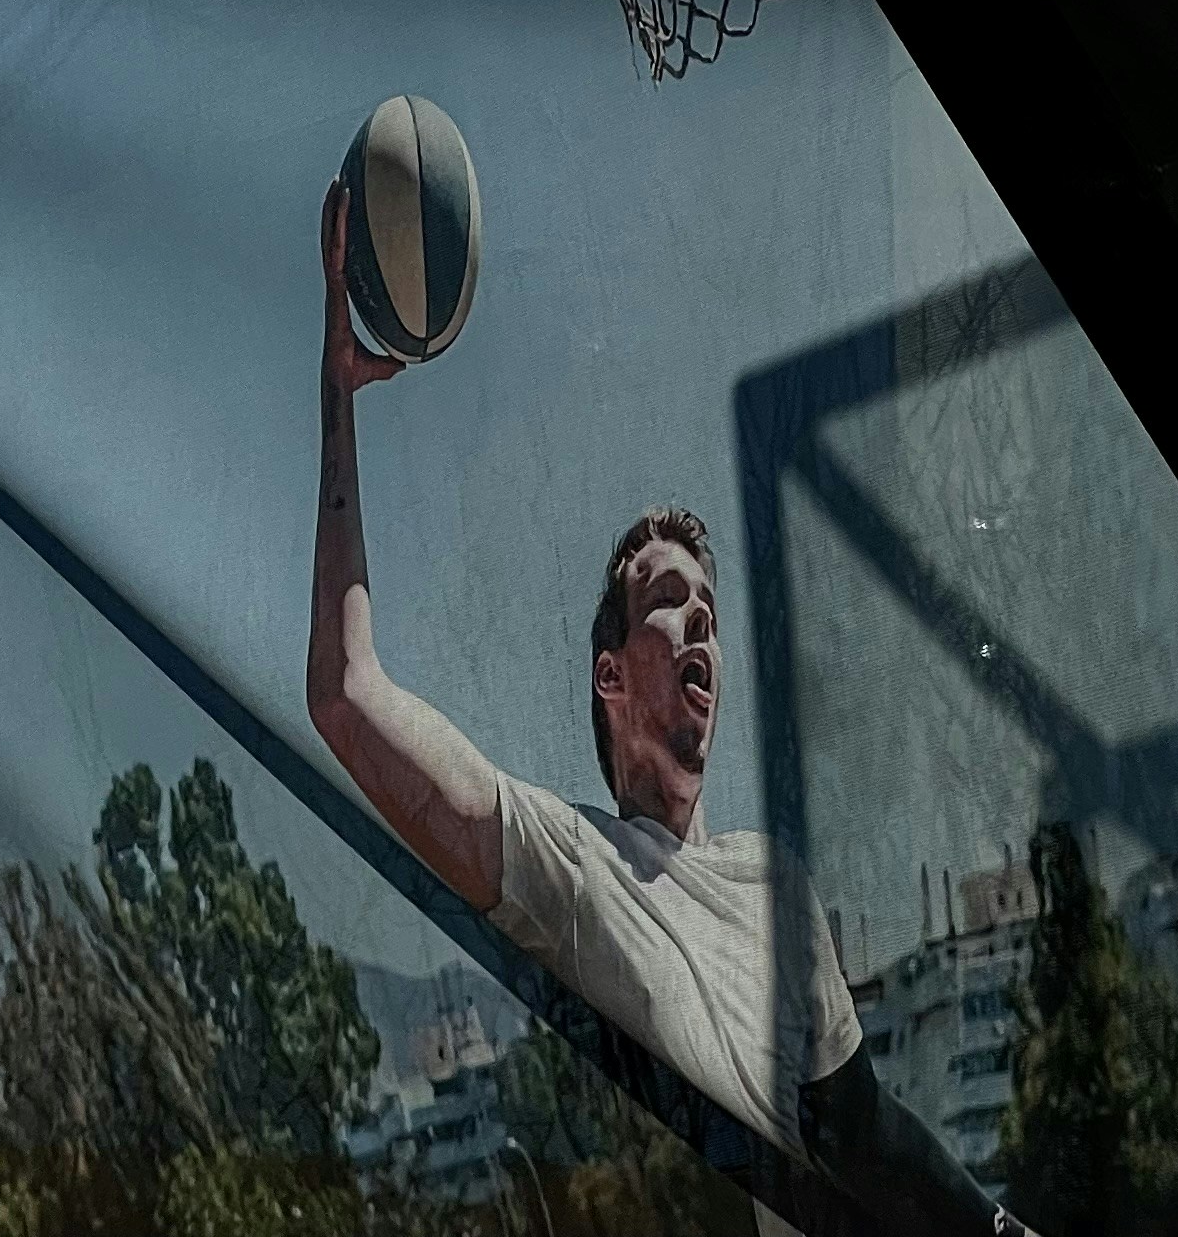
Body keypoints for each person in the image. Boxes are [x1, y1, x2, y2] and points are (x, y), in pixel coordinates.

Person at [305, 185, 1055, 1237]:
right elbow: (345, 695)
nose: (700, 625)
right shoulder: (572, 869)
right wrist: (339, 398)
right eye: (668, 603)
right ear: (611, 676)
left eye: (708, 609)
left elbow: (872, 1140)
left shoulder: (774, 887)